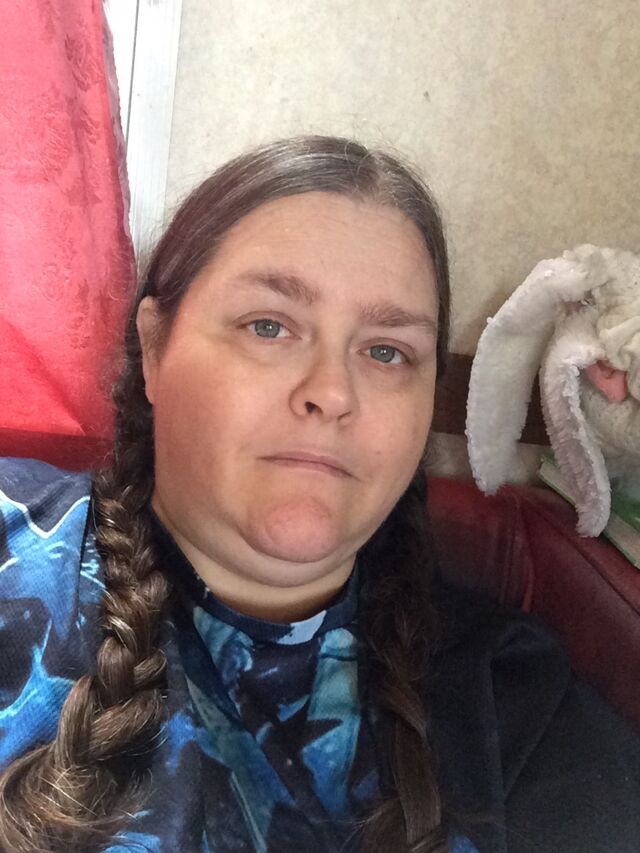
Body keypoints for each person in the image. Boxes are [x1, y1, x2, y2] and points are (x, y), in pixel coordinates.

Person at [0, 135, 638, 853]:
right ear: (155, 347)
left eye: (386, 351)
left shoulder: (515, 703)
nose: (332, 392)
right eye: (269, 326)